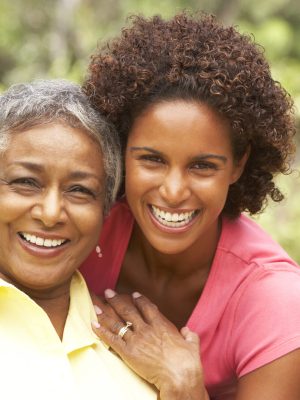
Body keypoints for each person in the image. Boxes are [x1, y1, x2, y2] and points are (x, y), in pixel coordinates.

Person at [80, 12, 300, 400]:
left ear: (239, 164)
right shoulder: (85, 230)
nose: (174, 190)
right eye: (151, 159)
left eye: (202, 166)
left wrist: (184, 385)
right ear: (120, 149)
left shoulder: (276, 300)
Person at [0, 79, 157, 400]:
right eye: (26, 182)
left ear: (106, 213)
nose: (50, 213)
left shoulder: (146, 357)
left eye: (79, 190)